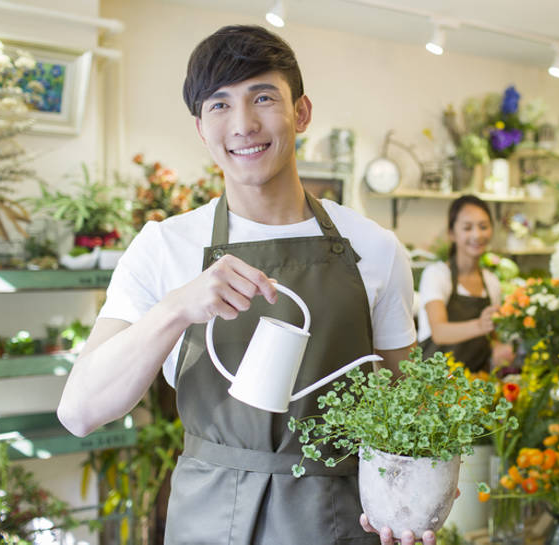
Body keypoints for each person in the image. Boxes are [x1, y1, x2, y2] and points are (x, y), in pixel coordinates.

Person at [56, 25, 432, 545]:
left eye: (263, 98)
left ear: (301, 112)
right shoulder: (164, 247)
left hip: (339, 521)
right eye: (220, 105)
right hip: (208, 522)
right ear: (200, 128)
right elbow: (80, 412)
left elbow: (408, 409)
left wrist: (417, 497)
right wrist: (176, 308)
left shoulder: (375, 247)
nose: (243, 125)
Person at [417, 195, 514, 372]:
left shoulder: (491, 282)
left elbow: (491, 336)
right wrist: (480, 325)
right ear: (452, 233)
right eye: (467, 228)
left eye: (483, 227)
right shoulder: (437, 275)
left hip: (476, 380)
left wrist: (499, 348)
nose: (477, 235)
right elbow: (439, 332)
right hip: (436, 382)